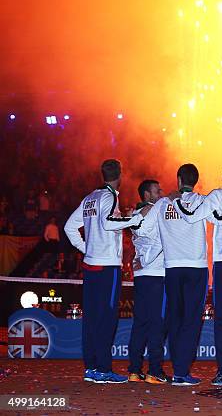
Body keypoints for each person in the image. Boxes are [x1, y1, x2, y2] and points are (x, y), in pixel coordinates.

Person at [152, 164, 222, 386]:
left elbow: (196, 219)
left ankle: (216, 372)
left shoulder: (215, 196)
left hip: (206, 265)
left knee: (212, 318)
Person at [65, 159, 148, 384]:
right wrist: (136, 219)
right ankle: (103, 369)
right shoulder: (109, 196)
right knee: (107, 318)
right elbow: (109, 223)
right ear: (119, 175)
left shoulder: (90, 197)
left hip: (91, 265)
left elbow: (69, 227)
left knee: (91, 318)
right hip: (107, 266)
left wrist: (87, 248)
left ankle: (91, 367)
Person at [127, 179, 168, 385]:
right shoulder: (157, 212)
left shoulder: (135, 215)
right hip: (156, 274)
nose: (160, 193)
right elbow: (163, 241)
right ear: (146, 194)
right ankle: (154, 370)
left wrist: (140, 260)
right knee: (156, 324)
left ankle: (134, 370)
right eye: (156, 191)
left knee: (140, 323)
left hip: (141, 276)